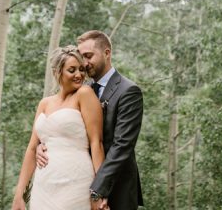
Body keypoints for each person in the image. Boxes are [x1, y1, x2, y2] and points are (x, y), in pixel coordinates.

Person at [37, 30, 144, 210]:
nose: (84, 64)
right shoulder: (81, 90)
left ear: (107, 53)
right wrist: (44, 144)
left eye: (88, 56)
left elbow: (122, 146)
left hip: (116, 188)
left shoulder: (128, 91)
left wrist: (98, 190)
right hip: (80, 184)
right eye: (81, 57)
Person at [12, 45, 105, 210]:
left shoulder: (84, 94)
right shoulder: (44, 103)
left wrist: (99, 192)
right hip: (44, 183)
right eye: (72, 70)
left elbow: (96, 143)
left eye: (81, 69)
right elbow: (32, 149)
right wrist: (19, 194)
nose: (79, 75)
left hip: (75, 180)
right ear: (57, 72)